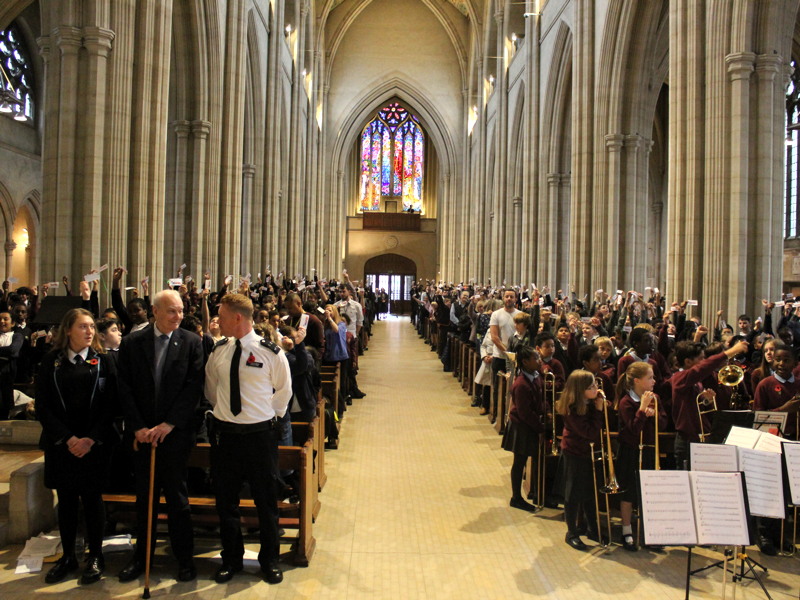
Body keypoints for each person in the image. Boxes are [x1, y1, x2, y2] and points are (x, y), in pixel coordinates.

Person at [116, 289, 204, 583]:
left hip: (174, 436)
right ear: (154, 311)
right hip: (142, 436)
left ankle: (184, 559)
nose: (178, 317)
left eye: (180, 311)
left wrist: (169, 424)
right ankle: (142, 558)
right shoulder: (132, 343)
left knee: (178, 500)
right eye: (171, 311)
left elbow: (193, 388)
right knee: (146, 500)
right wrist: (138, 426)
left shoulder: (191, 342)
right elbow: (124, 387)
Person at [204, 293, 292, 585]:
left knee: (265, 502)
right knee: (226, 502)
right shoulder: (219, 351)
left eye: (222, 316)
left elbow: (284, 391)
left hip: (259, 438)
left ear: (238, 317)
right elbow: (212, 390)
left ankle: (270, 561)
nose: (218, 321)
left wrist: (270, 419)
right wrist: (228, 414)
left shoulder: (270, 351)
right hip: (226, 437)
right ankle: (232, 559)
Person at [35, 309, 117, 584]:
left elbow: (111, 406)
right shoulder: (51, 362)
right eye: (83, 327)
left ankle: (95, 555)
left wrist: (90, 439)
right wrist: (69, 439)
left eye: (92, 327)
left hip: (94, 445)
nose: (89, 332)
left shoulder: (102, 361)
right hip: (62, 444)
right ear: (68, 330)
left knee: (93, 500)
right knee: (67, 501)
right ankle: (68, 555)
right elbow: (43, 406)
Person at [671, 338, 749, 468]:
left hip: (701, 438)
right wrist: (730, 352)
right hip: (687, 440)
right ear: (688, 361)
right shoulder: (679, 378)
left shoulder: (697, 381)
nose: (703, 362)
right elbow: (701, 369)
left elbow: (694, 406)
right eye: (701, 359)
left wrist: (706, 401)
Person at [614, 361, 667, 551]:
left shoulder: (655, 398)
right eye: (650, 378)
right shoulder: (626, 402)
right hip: (631, 451)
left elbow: (663, 424)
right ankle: (626, 530)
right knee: (628, 492)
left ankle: (649, 532)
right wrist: (642, 410)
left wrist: (655, 416)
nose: (654, 381)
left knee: (649, 493)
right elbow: (632, 430)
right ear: (637, 381)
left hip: (649, 450)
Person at [557, 369, 606, 551]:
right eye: (592, 386)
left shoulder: (588, 403)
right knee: (573, 495)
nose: (596, 388)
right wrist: (599, 411)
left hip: (586, 453)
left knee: (589, 492)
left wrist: (598, 406)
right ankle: (572, 532)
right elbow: (590, 433)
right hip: (574, 454)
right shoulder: (572, 409)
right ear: (580, 390)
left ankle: (592, 528)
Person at [501, 346, 545, 512]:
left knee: (528, 460)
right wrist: (540, 428)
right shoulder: (521, 384)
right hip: (521, 426)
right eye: (536, 358)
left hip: (530, 425)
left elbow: (538, 400)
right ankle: (516, 497)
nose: (539, 361)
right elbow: (524, 412)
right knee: (519, 462)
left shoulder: (535, 376)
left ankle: (537, 493)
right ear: (525, 362)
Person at [0, 311, 23, 419]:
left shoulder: (17, 336)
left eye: (5, 319)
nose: (2, 322)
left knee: (5, 402)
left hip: (7, 373)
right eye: (0, 319)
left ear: (12, 323)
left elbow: (13, 350)